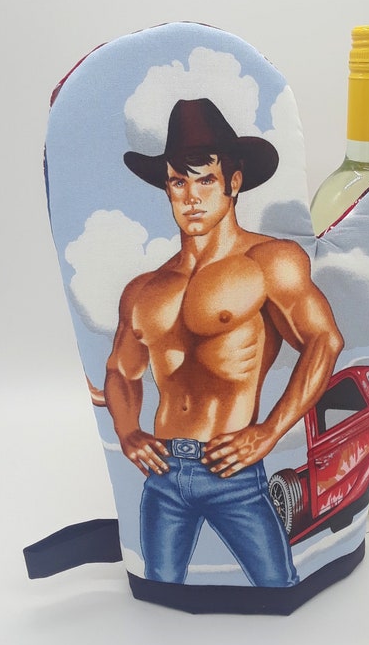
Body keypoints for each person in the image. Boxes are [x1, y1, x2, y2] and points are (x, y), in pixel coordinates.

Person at [105, 98, 343, 587]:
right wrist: (128, 433)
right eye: (178, 182)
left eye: (206, 180)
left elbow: (324, 340)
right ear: (167, 189)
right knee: (160, 592)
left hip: (233, 471)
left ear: (234, 182)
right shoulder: (143, 290)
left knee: (278, 587)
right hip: (164, 474)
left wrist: (269, 431)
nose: (191, 197)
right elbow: (121, 371)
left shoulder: (270, 262)